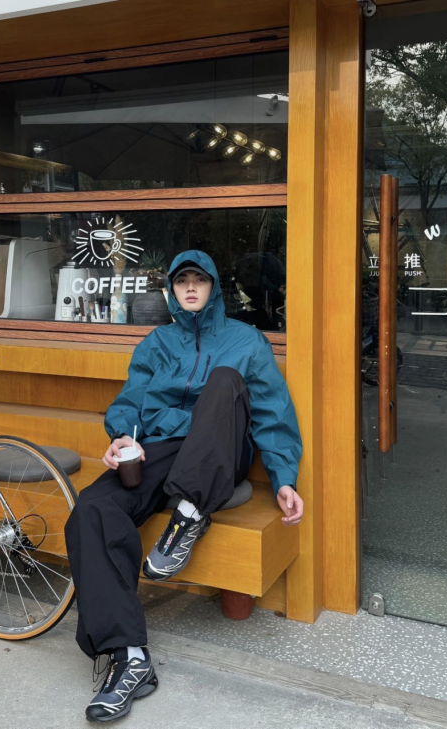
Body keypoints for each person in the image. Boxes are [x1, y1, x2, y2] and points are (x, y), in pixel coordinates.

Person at [65, 249, 304, 723]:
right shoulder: (157, 342)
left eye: (199, 279)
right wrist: (122, 436)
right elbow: (130, 400)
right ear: (172, 291)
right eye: (181, 281)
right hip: (160, 448)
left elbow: (273, 414)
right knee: (91, 509)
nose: (191, 287)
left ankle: (189, 516)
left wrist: (284, 479)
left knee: (224, 380)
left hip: (219, 450)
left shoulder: (246, 340)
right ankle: (129, 657)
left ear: (213, 287)